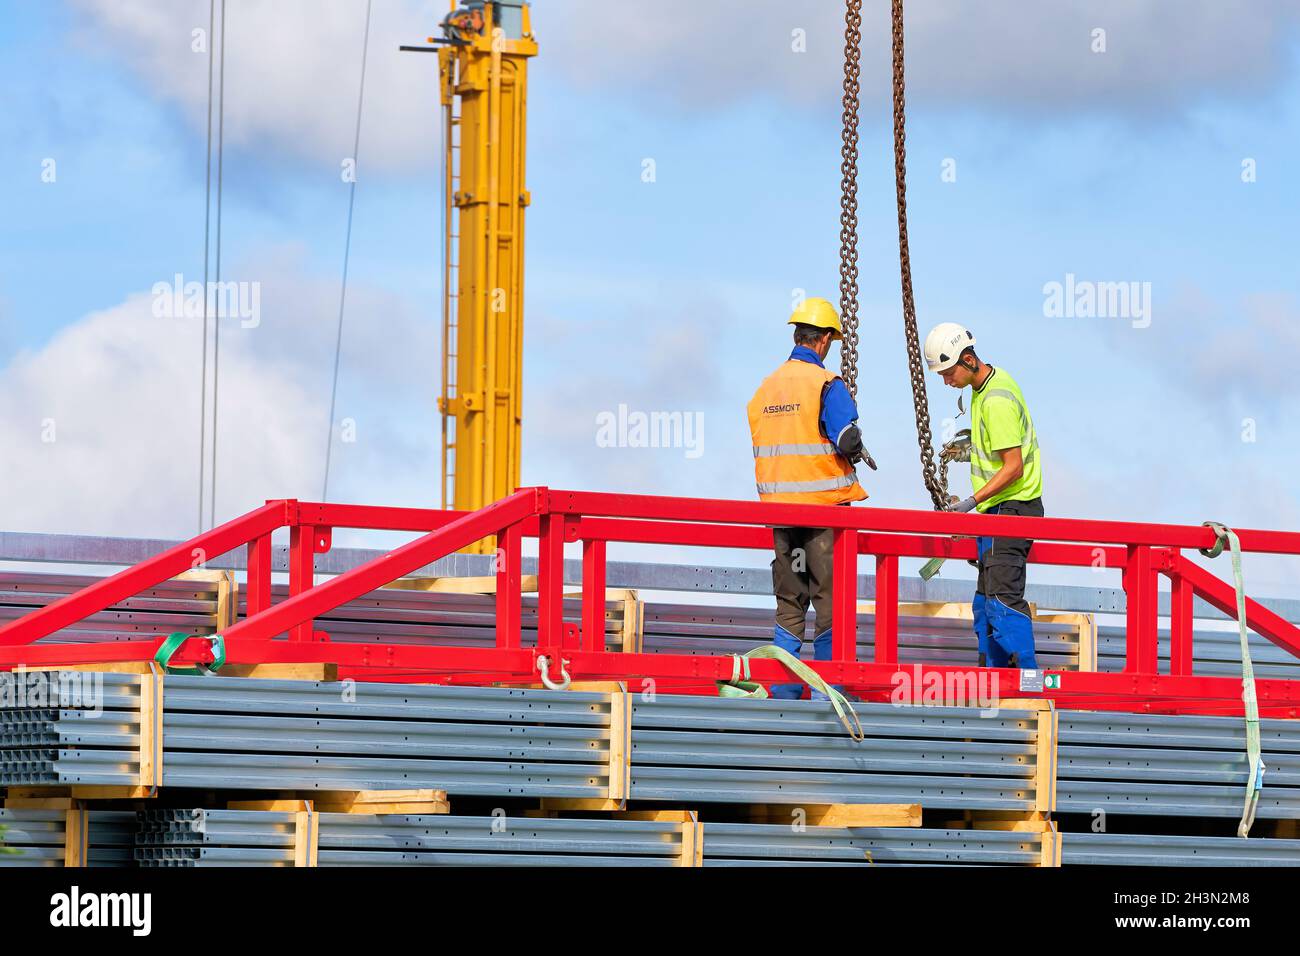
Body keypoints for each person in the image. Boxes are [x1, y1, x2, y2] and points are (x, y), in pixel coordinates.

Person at [746, 297, 870, 699]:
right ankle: (827, 693)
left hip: (782, 518)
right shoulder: (825, 384)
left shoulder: (765, 388)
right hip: (823, 517)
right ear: (824, 341)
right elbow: (846, 437)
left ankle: (782, 693)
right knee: (831, 606)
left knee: (789, 604)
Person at [924, 322, 1043, 670]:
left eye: (948, 373)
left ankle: (1028, 684)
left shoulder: (995, 400)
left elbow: (1013, 467)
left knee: (1002, 603)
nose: (947, 382)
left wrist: (971, 502)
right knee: (985, 604)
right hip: (998, 512)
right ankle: (994, 679)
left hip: (1012, 509)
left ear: (968, 359)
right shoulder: (984, 391)